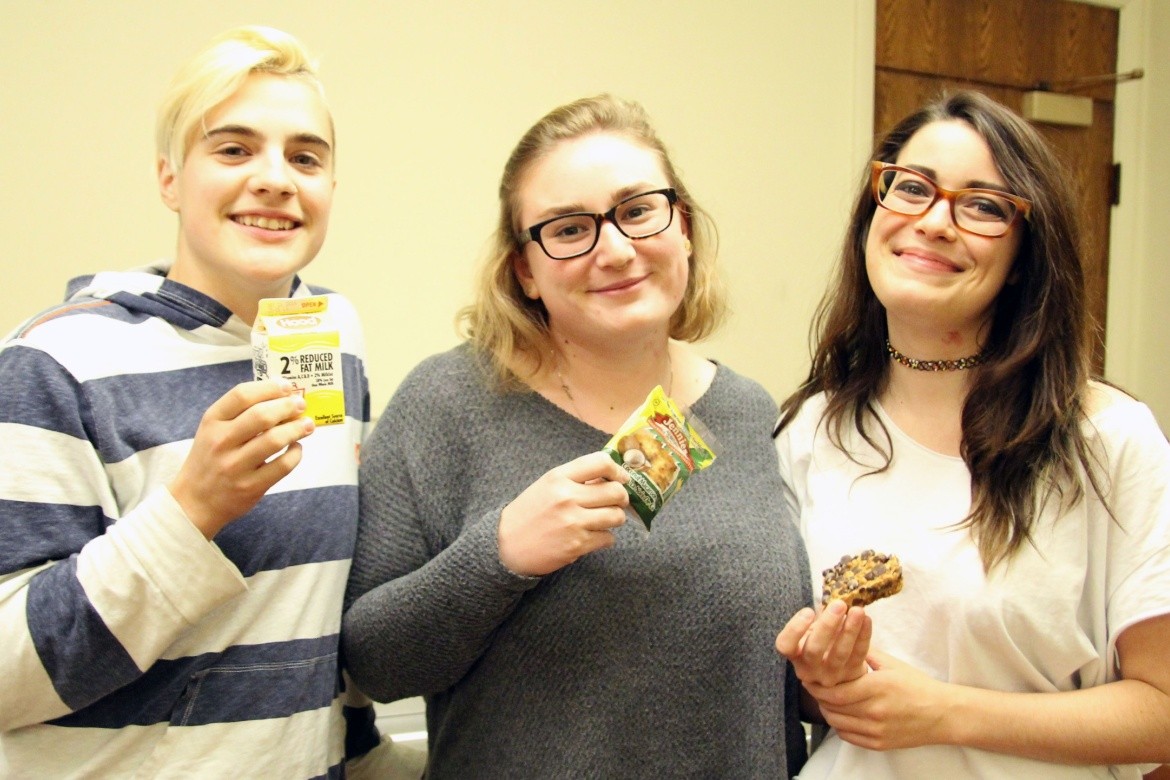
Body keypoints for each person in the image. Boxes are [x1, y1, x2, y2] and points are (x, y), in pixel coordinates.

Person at [342, 93, 812, 778]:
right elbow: (374, 663)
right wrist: (501, 555)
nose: (616, 250)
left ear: (681, 225)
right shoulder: (445, 406)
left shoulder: (746, 411)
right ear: (524, 270)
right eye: (568, 229)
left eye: (638, 211)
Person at [0, 25, 415, 778]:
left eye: (305, 157)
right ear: (169, 179)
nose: (275, 178)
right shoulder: (53, 362)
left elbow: (315, 605)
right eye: (233, 149)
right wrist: (190, 510)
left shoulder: (335, 334)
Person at [773, 90, 1170, 778]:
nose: (933, 222)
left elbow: (1161, 710)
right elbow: (796, 697)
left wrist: (943, 712)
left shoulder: (1109, 441)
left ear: (1023, 255)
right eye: (912, 188)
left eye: (983, 206)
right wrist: (821, 679)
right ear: (874, 212)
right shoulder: (807, 432)